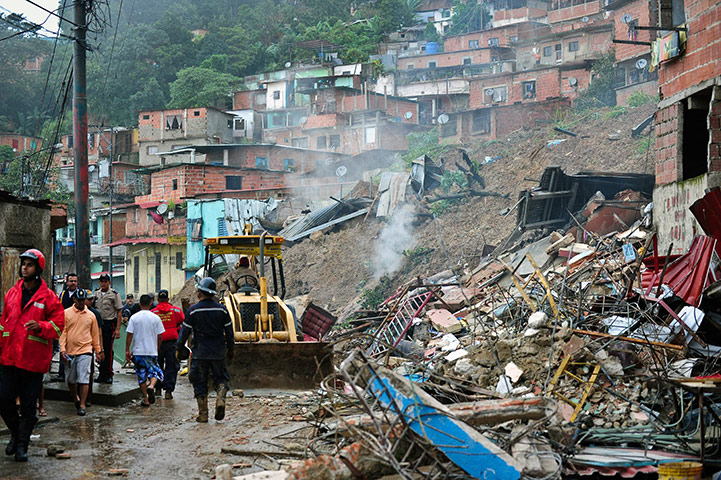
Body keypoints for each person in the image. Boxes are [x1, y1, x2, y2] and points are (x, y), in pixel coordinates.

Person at [0, 249, 64, 462]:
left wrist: (41, 326)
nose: (24, 267)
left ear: (38, 269)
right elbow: (4, 324)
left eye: (29, 264)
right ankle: (17, 434)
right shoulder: (12, 293)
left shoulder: (49, 298)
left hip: (33, 361)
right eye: (23, 264)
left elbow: (58, 327)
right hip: (9, 358)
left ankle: (21, 446)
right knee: (4, 400)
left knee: (28, 406)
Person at [177, 278, 234, 422]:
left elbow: (184, 334)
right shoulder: (222, 310)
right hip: (218, 352)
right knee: (221, 379)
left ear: (200, 292)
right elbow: (230, 333)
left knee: (199, 382)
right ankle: (220, 398)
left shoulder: (192, 311)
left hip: (200, 353)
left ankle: (203, 414)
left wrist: (179, 348)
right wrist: (231, 350)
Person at [59, 289, 103, 416]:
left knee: (84, 378)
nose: (81, 302)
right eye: (79, 300)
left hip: (86, 350)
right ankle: (76, 399)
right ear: (74, 300)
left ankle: (82, 405)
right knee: (71, 380)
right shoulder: (66, 313)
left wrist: (98, 351)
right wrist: (63, 349)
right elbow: (63, 333)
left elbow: (95, 335)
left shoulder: (91, 315)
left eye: (83, 300)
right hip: (70, 351)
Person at [125, 295, 165, 407]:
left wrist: (127, 350)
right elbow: (160, 336)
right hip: (151, 351)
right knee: (157, 373)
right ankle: (152, 386)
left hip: (138, 352)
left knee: (141, 376)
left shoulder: (134, 318)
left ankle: (146, 399)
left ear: (139, 304)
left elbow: (129, 335)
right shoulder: (155, 318)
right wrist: (157, 347)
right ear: (150, 304)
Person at [151, 289, 184, 399]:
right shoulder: (176, 310)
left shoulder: (153, 313)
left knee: (157, 366)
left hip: (157, 343)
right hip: (172, 343)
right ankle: (168, 391)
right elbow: (182, 321)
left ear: (158, 299)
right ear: (168, 299)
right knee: (171, 366)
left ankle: (158, 389)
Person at [94, 273, 123, 383]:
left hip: (108, 324)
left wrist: (118, 329)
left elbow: (119, 311)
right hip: (97, 324)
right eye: (101, 281)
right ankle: (101, 374)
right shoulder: (96, 293)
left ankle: (108, 374)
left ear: (109, 282)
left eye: (105, 281)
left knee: (108, 349)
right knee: (98, 349)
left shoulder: (114, 294)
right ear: (99, 282)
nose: (103, 283)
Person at [55, 272, 79, 381]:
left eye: (75, 281)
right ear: (67, 282)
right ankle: (61, 374)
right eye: (71, 281)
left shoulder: (80, 295)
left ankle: (74, 375)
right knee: (62, 349)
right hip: (64, 326)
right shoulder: (62, 294)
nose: (73, 283)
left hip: (77, 326)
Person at [84, 290, 103, 406]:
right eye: (88, 299)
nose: (91, 301)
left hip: (88, 347)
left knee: (89, 373)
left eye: (92, 299)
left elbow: (98, 333)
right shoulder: (70, 312)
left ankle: (87, 398)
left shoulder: (95, 314)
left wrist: (100, 350)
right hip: (74, 347)